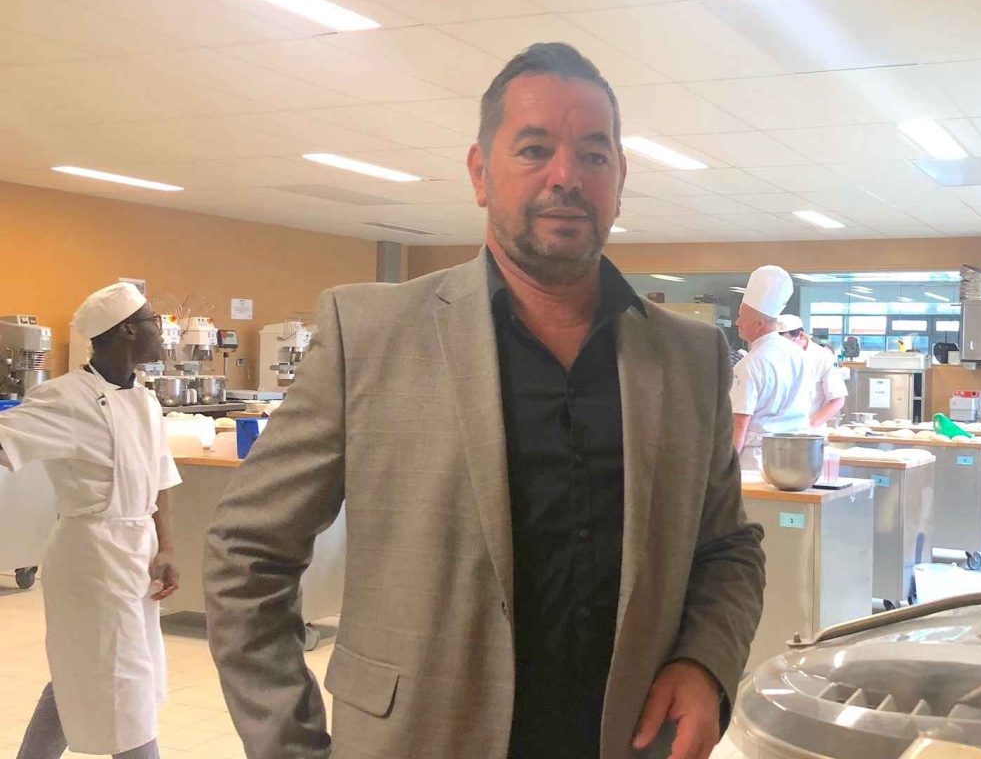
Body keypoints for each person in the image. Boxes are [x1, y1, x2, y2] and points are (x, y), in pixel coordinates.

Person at [204, 42, 765, 759]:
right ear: (479, 173)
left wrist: (704, 661)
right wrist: (289, 746)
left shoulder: (689, 357)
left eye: (594, 155)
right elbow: (247, 553)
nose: (567, 176)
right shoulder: (369, 335)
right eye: (534, 149)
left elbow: (727, 549)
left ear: (620, 179)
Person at [3, 282, 181, 759]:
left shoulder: (145, 399)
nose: (160, 332)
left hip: (137, 552)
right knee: (121, 682)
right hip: (91, 558)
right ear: (126, 331)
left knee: (85, 673)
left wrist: (166, 546)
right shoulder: (65, 398)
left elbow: (160, 477)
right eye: (153, 322)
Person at [730, 266, 812, 470]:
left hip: (757, 460)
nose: (736, 322)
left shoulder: (750, 364)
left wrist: (724, 468)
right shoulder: (798, 354)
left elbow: (740, 423)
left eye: (741, 316)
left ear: (759, 324)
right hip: (797, 456)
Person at [776, 314, 848, 428]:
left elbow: (837, 399)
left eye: (786, 342)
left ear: (800, 335)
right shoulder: (775, 356)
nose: (782, 347)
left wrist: (811, 425)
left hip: (809, 430)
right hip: (776, 427)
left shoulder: (823, 357)